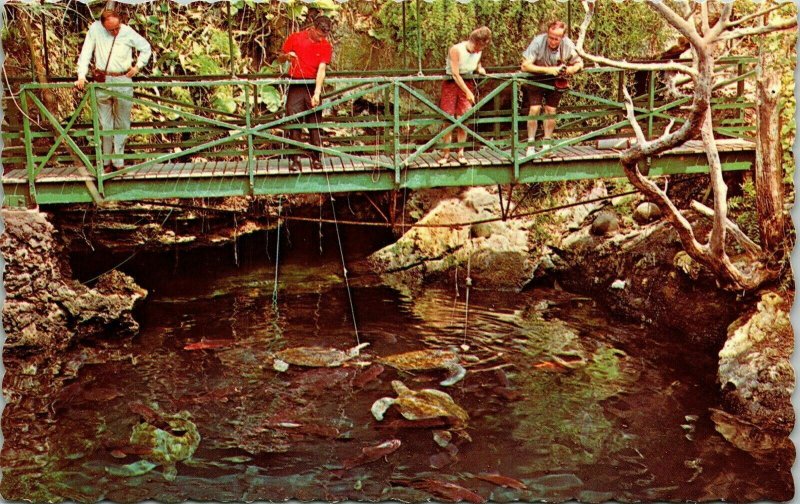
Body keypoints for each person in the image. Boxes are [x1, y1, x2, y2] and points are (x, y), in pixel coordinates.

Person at [75, 9, 152, 172]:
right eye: (111, 30)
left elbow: (146, 47)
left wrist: (138, 66)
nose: (115, 32)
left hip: (122, 79)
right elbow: (86, 52)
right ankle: (106, 162)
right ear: (103, 26)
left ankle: (118, 161)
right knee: (104, 124)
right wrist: (81, 75)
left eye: (117, 27)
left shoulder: (126, 32)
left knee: (122, 122)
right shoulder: (95, 29)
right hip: (102, 79)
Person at [279, 16, 333, 172]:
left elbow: (322, 70)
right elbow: (280, 58)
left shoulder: (325, 45)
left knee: (315, 123)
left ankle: (316, 158)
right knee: (294, 122)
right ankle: (294, 159)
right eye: (319, 35)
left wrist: (317, 93)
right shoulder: (296, 38)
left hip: (312, 85)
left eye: (324, 36)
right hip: (296, 85)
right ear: (313, 27)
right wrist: (287, 57)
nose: (321, 38)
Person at [520, 20, 583, 157]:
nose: (553, 41)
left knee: (551, 110)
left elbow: (579, 63)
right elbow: (525, 66)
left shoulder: (567, 44)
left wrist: (570, 69)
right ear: (547, 33)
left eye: (556, 39)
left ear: (562, 37)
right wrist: (549, 70)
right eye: (551, 37)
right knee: (535, 109)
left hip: (555, 79)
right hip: (536, 77)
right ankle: (531, 145)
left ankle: (546, 145)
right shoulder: (538, 41)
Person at [437, 27, 491, 166]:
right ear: (475, 42)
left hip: (467, 81)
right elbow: (455, 74)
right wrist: (467, 91)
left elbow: (477, 62)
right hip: (452, 82)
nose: (480, 50)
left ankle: (460, 152)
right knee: (448, 119)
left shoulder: (479, 52)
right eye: (480, 46)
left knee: (464, 118)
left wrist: (480, 69)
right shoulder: (456, 50)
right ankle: (446, 153)